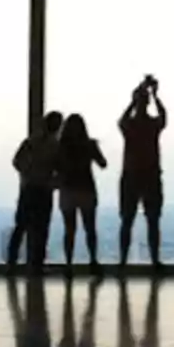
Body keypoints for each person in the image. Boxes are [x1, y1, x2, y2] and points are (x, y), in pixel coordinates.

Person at [119, 75, 168, 272]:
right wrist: (155, 95)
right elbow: (163, 116)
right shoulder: (152, 125)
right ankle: (154, 260)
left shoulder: (130, 125)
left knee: (128, 220)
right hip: (150, 176)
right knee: (152, 221)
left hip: (132, 176)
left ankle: (123, 261)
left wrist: (135, 99)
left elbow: (122, 119)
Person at [7, 111, 63, 275]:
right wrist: (52, 182)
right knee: (41, 229)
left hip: (29, 188)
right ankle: (36, 265)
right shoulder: (55, 146)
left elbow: (17, 161)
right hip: (43, 190)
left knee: (21, 227)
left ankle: (12, 263)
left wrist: (28, 174)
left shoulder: (31, 142)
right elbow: (60, 169)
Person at [56, 114, 108, 277]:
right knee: (90, 228)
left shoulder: (60, 147)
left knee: (69, 230)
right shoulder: (89, 145)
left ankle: (68, 264)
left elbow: (55, 168)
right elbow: (103, 164)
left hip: (67, 190)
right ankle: (93, 261)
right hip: (86, 189)